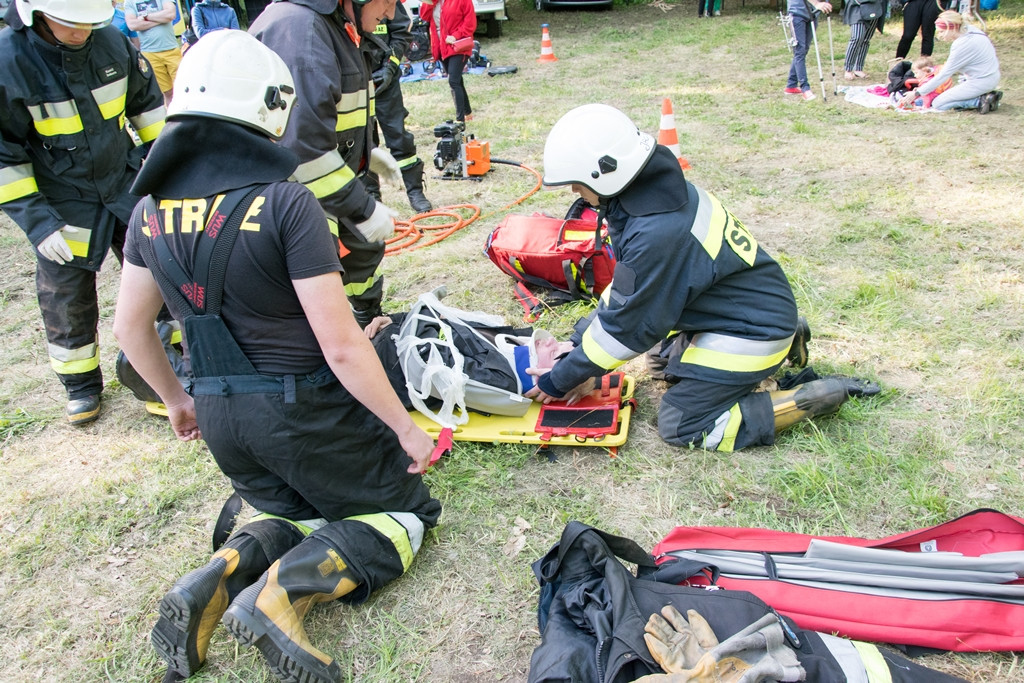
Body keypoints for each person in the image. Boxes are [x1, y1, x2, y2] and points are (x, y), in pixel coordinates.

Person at [111, 30, 441, 682]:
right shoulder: (286, 204)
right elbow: (342, 346)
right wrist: (405, 428)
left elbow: (129, 328)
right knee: (402, 514)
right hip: (301, 410)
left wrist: (178, 401)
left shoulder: (148, 212)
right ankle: (281, 595)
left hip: (221, 419)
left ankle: (218, 573)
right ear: (267, 109)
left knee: (292, 509)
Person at [529, 104, 874, 453]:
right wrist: (579, 341)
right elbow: (627, 292)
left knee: (683, 424)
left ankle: (805, 399)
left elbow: (629, 329)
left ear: (605, 172)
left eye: (576, 181)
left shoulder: (657, 231)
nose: (574, 190)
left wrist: (561, 379)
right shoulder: (654, 196)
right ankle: (786, 338)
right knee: (662, 365)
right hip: (746, 308)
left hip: (753, 329)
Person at [0, 0, 166, 425]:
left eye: (89, 23)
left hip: (123, 185)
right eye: (71, 24)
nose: (82, 33)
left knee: (163, 273)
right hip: (62, 201)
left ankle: (162, 368)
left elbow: (148, 113)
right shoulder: (8, 62)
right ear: (35, 13)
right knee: (66, 294)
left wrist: (166, 176)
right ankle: (81, 385)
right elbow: (6, 157)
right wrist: (38, 224)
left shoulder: (111, 42)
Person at [250, 0, 407, 329]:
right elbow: (302, 150)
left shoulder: (334, 26)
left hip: (321, 180)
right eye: (390, 1)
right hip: (291, 189)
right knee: (317, 275)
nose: (391, 14)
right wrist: (362, 207)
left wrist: (366, 151)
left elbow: (331, 114)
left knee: (361, 248)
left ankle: (366, 319)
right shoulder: (301, 32)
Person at [365, 0, 434, 214]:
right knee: (362, 140)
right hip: (355, 82)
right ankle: (371, 198)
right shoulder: (347, 5)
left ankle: (415, 191)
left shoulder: (388, 4)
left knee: (398, 135)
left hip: (387, 79)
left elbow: (402, 33)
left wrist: (390, 66)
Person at [899, 11, 1002, 113]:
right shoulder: (972, 30)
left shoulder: (961, 44)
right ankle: (984, 95)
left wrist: (917, 93)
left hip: (981, 81)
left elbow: (944, 74)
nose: (940, 36)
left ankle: (979, 101)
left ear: (952, 28)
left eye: (942, 32)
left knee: (938, 104)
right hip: (990, 77)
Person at [420, 0, 475, 123]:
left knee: (453, 81)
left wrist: (455, 36)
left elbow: (470, 23)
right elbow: (424, 16)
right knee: (457, 80)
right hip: (441, 47)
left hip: (458, 45)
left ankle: (460, 121)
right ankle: (468, 112)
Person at [124, 0, 181, 105]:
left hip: (172, 50)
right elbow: (132, 25)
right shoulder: (129, 2)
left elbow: (171, 14)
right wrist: (161, 19)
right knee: (166, 93)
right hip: (149, 54)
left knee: (182, 87)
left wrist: (146, 17)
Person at [784, 0, 833, 101]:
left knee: (803, 50)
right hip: (797, 12)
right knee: (800, 51)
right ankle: (805, 88)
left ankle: (791, 85)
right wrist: (816, 4)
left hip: (812, 14)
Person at [841, 0, 885, 80]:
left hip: (874, 7)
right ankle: (848, 69)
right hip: (857, 6)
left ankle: (858, 68)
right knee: (857, 38)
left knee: (865, 40)